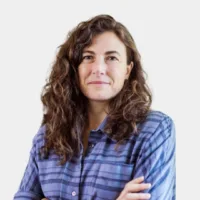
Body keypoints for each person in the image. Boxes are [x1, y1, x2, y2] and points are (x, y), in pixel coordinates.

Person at [14, 14, 176, 200]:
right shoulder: (47, 136)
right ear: (75, 68)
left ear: (127, 70)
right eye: (88, 57)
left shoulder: (154, 130)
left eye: (112, 58)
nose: (99, 68)